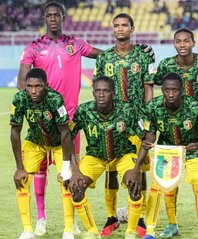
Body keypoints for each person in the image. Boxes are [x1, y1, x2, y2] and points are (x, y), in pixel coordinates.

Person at [16, 2, 101, 236]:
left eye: (57, 15)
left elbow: (101, 55)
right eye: (49, 15)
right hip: (43, 122)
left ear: (63, 17)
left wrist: (125, 52)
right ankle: (41, 218)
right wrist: (38, 107)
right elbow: (22, 81)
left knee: (68, 174)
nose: (53, 18)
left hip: (70, 122)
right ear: (44, 18)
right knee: (40, 171)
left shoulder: (75, 43)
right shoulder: (34, 47)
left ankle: (70, 221)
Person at [148, 27, 198, 239]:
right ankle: (172, 224)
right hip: (172, 132)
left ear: (193, 43)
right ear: (174, 44)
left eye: (186, 41)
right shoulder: (166, 65)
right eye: (178, 41)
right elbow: (150, 82)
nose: (183, 45)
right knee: (169, 181)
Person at [126, 72, 198, 239]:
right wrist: (148, 142)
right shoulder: (153, 107)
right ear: (162, 90)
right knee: (157, 187)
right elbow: (150, 133)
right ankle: (151, 232)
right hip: (167, 151)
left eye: (175, 90)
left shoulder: (197, 107)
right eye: (167, 90)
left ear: (182, 90)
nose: (171, 94)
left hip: (192, 150)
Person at [92, 13, 155, 237]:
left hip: (137, 121)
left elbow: (149, 88)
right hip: (110, 121)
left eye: (124, 25)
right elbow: (98, 90)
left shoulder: (143, 55)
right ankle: (111, 216)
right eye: (116, 26)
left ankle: (141, 217)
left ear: (132, 28)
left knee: (141, 170)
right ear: (112, 29)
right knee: (110, 167)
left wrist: (149, 118)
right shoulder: (104, 58)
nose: (120, 29)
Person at [68, 76, 146, 239]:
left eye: (105, 91)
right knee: (76, 188)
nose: (101, 95)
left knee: (134, 185)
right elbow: (67, 137)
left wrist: (137, 168)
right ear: (93, 92)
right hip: (95, 157)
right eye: (98, 91)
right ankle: (92, 231)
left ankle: (130, 232)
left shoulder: (128, 110)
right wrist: (74, 170)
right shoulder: (84, 111)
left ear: (113, 93)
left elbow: (145, 137)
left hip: (123, 155)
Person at [10, 68, 75, 239]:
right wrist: (19, 167)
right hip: (35, 142)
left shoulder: (55, 98)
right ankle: (27, 230)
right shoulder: (19, 99)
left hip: (59, 144)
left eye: (38, 86)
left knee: (67, 181)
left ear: (45, 85)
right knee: (22, 181)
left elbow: (65, 132)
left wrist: (67, 167)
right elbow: (15, 131)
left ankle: (68, 228)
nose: (33, 91)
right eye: (29, 86)